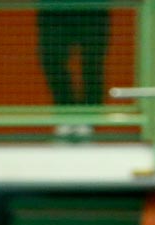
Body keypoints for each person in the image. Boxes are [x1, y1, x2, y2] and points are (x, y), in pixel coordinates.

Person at [36, 1, 108, 137]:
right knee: (51, 58)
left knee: (92, 62)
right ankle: (66, 113)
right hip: (53, 10)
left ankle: (89, 118)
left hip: (93, 8)